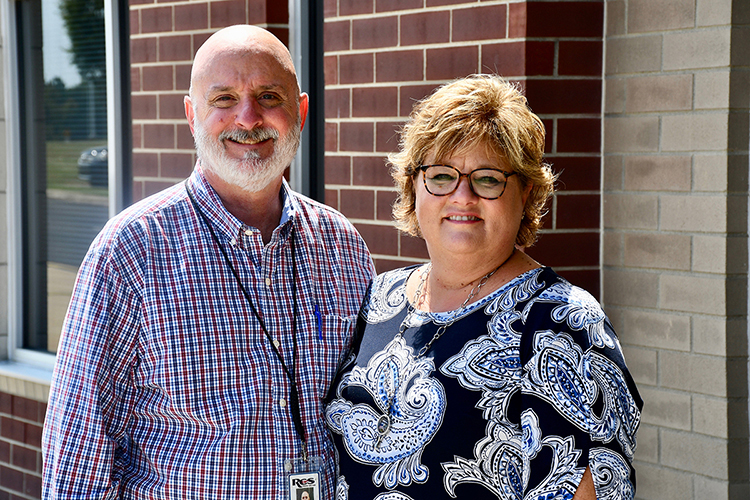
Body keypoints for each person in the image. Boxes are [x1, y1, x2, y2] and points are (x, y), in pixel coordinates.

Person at [42, 25, 375, 499]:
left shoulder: (342, 246)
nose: (248, 117)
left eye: (268, 96)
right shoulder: (130, 251)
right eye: (223, 99)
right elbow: (77, 464)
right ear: (192, 114)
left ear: (300, 111)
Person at [325, 74, 643, 500]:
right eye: (441, 176)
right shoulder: (380, 299)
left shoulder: (565, 324)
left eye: (488, 179)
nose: (462, 196)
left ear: (526, 192)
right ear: (413, 185)